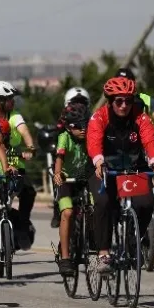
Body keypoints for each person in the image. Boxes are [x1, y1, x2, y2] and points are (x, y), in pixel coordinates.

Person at [86, 77, 154, 273]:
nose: (124, 105)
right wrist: (99, 161)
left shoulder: (141, 117)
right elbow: (94, 142)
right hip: (104, 169)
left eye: (128, 101)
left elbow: (150, 141)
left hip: (133, 168)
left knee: (145, 204)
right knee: (103, 202)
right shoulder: (99, 117)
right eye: (119, 101)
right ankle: (103, 253)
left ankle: (132, 239)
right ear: (110, 101)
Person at [115, 67, 154, 255]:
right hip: (126, 154)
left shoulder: (148, 101)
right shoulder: (114, 104)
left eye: (128, 83)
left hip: (149, 151)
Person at [0, 80, 38, 249]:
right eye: (9, 99)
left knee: (28, 191)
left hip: (14, 164)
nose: (13, 102)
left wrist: (30, 147)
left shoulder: (14, 116)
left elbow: (24, 131)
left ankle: (22, 225)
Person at [52, 103, 91, 275]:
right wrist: (58, 173)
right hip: (67, 180)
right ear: (68, 127)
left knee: (94, 208)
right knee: (67, 213)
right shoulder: (64, 137)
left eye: (86, 125)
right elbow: (59, 157)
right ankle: (65, 257)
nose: (83, 130)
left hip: (85, 179)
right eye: (78, 126)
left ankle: (90, 243)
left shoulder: (90, 137)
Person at [51, 87, 92, 228]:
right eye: (75, 102)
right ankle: (57, 207)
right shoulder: (64, 125)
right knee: (66, 208)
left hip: (85, 169)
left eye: (82, 102)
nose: (78, 106)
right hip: (66, 166)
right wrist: (58, 172)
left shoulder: (90, 121)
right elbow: (59, 153)